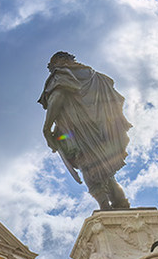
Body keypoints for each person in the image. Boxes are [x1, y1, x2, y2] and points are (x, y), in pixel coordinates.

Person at [39, 51, 133, 210]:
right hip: (103, 130)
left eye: (52, 64)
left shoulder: (60, 74)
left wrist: (47, 129)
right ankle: (121, 203)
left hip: (78, 130)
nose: (51, 69)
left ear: (61, 61)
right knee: (105, 171)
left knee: (88, 166)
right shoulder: (95, 76)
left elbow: (58, 96)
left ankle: (105, 207)